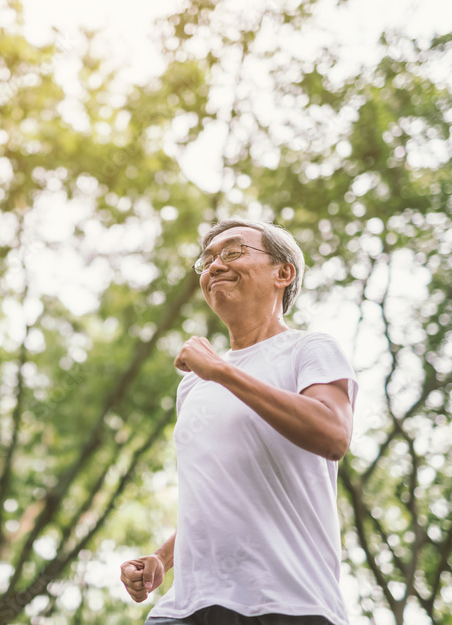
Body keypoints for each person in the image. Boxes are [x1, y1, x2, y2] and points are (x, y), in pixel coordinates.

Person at [119, 219, 358, 625]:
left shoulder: (308, 349)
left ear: (283, 273)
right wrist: (162, 557)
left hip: (287, 600)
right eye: (207, 260)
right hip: (188, 606)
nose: (213, 266)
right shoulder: (192, 386)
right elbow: (222, 489)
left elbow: (333, 434)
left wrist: (221, 372)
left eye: (232, 252)